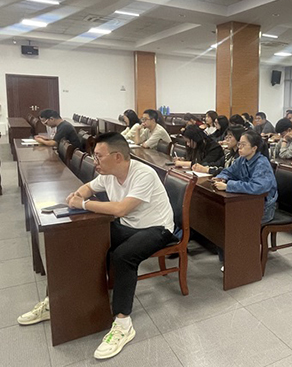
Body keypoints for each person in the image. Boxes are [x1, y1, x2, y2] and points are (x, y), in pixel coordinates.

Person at [18, 133, 177, 360]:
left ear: (117, 157)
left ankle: (123, 323)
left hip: (157, 228)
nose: (95, 161)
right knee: (84, 237)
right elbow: (87, 188)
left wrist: (83, 204)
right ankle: (57, 301)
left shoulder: (143, 174)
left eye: (99, 156)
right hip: (129, 225)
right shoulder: (108, 174)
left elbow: (121, 209)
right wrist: (77, 195)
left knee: (123, 256)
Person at [213, 130, 278, 224]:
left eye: (243, 145)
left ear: (254, 148)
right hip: (248, 200)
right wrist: (222, 177)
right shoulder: (242, 159)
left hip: (264, 206)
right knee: (220, 214)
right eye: (239, 144)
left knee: (231, 219)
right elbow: (229, 171)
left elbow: (257, 187)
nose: (239, 147)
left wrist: (228, 186)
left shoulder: (262, 164)